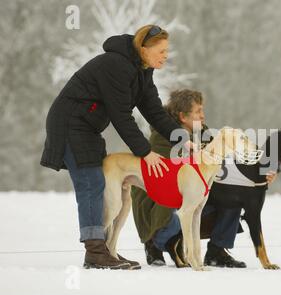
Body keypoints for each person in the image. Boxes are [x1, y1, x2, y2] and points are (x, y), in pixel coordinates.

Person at [40, 25, 193, 270]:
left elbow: (154, 111)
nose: (166, 56)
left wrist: (182, 138)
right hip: (70, 124)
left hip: (87, 127)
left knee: (103, 187)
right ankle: (95, 253)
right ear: (144, 48)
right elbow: (121, 115)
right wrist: (144, 151)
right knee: (91, 184)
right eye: (161, 51)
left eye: (167, 51)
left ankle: (106, 250)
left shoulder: (142, 71)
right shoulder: (116, 65)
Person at [131, 89, 278, 268]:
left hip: (188, 200)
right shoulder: (161, 139)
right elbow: (167, 178)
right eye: (198, 111)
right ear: (183, 117)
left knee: (234, 198)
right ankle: (154, 243)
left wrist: (261, 174)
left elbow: (228, 163)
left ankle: (216, 251)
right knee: (178, 214)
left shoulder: (205, 135)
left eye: (202, 110)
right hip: (161, 205)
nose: (202, 115)